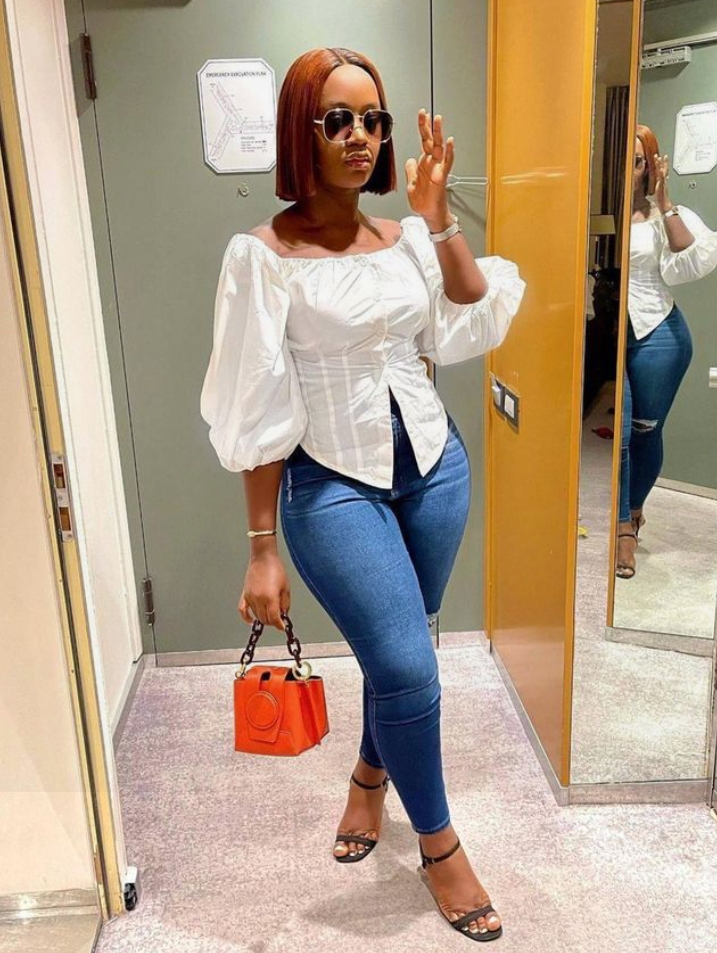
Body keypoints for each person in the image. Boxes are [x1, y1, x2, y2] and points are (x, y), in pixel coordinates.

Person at [201, 47, 525, 941]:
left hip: (435, 468)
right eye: (337, 119)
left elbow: (470, 306)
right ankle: (440, 845)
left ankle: (368, 776)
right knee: (412, 668)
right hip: (331, 481)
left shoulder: (406, 237)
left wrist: (437, 215)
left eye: (372, 119)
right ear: (299, 131)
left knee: (399, 653)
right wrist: (260, 547)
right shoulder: (261, 255)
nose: (359, 136)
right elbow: (254, 401)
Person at [616, 124, 717, 579]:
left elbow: (687, 250)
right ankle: (619, 521)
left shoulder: (661, 214)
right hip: (606, 335)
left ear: (649, 166)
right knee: (617, 434)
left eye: (638, 161)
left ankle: (631, 518)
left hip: (658, 334)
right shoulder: (587, 205)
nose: (630, 169)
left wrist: (664, 199)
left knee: (644, 432)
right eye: (623, 159)